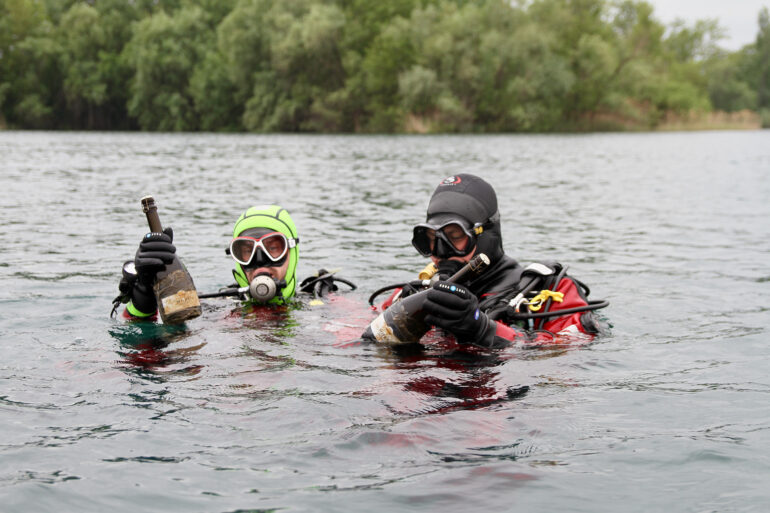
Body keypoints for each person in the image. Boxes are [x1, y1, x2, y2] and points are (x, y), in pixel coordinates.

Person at [375, 174, 607, 348]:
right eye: (431, 240)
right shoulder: (410, 295)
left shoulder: (548, 292)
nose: (441, 253)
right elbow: (359, 331)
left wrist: (481, 328)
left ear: (485, 236)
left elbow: (575, 345)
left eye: (455, 237)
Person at [113, 204, 351, 321]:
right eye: (246, 251)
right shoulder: (218, 310)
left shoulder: (327, 304)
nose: (260, 262)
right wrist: (142, 304)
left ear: (292, 252)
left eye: (273, 248)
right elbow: (152, 356)